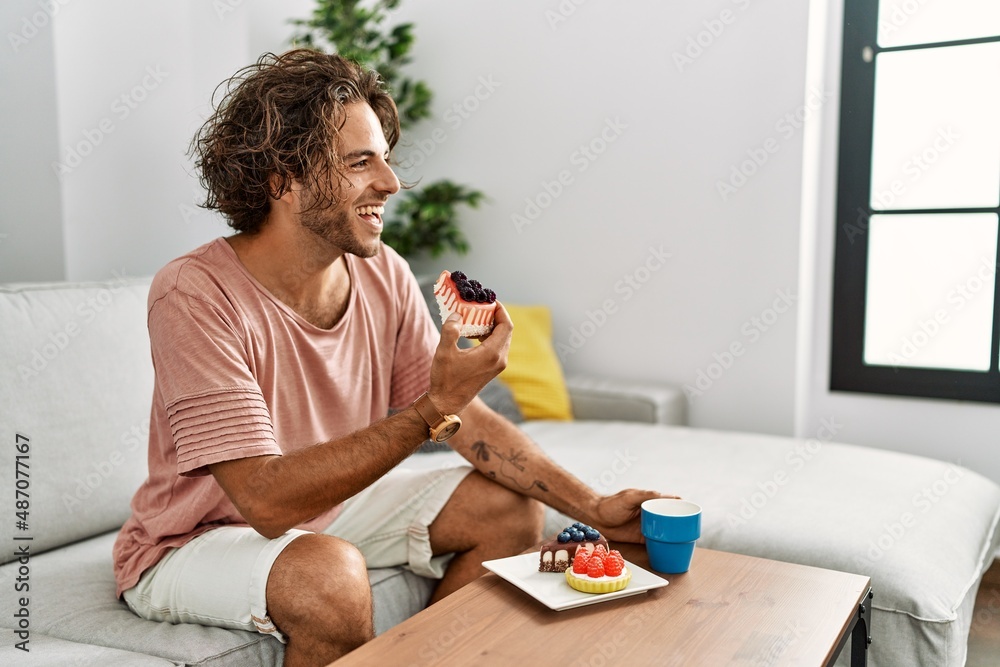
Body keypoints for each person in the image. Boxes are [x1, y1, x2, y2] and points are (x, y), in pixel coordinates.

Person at [112, 48, 669, 667]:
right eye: (359, 162)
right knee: (328, 575)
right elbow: (265, 502)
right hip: (194, 541)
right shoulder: (195, 292)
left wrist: (591, 507)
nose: (391, 182)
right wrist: (437, 404)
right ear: (282, 182)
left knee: (506, 507)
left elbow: (465, 423)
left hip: (327, 513)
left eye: (384, 158)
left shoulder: (383, 274)